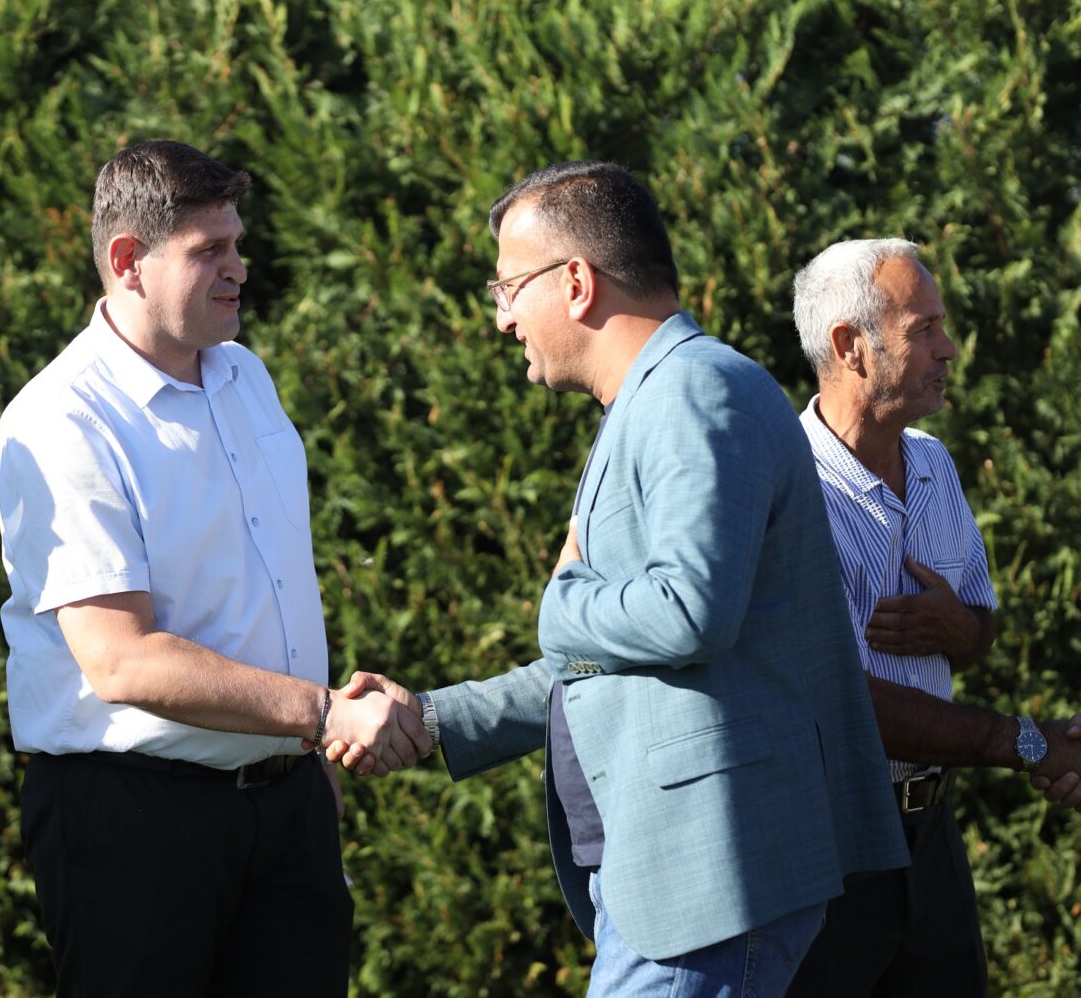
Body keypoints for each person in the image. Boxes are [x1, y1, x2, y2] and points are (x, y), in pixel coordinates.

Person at [332, 161, 908, 996]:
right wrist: (435, 719)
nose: (502, 318)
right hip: (674, 886)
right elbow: (619, 661)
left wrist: (561, 602)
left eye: (508, 287)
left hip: (708, 889)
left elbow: (689, 612)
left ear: (575, 283)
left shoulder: (694, 391)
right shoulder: (654, 399)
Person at [0, 140, 429, 997]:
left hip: (285, 803)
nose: (240, 267)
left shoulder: (245, 375)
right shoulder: (61, 418)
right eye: (211, 250)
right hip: (132, 821)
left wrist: (303, 767)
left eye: (238, 243)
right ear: (128, 261)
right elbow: (121, 661)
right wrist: (321, 714)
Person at [783, 237, 1081, 996]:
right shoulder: (787, 490)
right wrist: (1026, 742)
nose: (950, 349)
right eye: (925, 330)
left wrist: (960, 630)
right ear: (849, 346)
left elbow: (977, 629)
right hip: (829, 847)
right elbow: (845, 705)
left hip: (931, 836)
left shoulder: (933, 463)